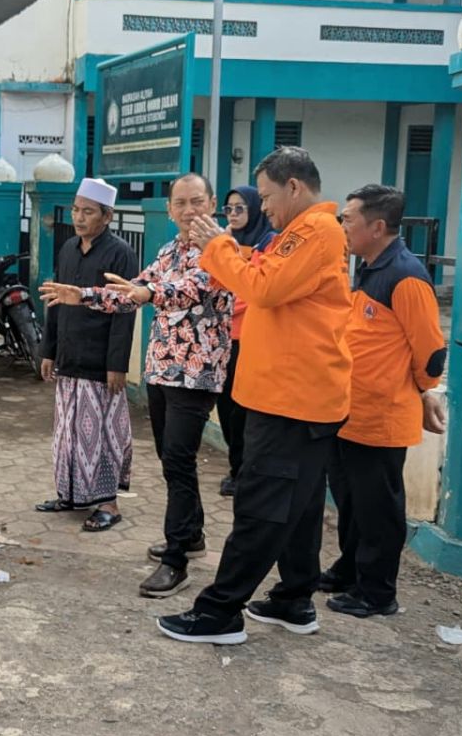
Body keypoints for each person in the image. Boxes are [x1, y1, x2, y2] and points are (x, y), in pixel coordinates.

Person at [158, 146, 351, 645]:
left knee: (260, 507)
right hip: (294, 395)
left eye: (265, 196)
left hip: (291, 398)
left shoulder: (317, 231)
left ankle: (220, 612)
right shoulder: (296, 235)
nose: (261, 207)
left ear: (293, 187)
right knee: (302, 507)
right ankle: (293, 600)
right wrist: (224, 249)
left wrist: (221, 245)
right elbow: (255, 273)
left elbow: (264, 288)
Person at [41, 173, 233, 595]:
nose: (188, 211)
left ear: (212, 203)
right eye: (179, 203)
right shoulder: (168, 250)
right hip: (162, 371)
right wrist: (84, 296)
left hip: (195, 376)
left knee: (179, 461)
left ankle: (176, 559)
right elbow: (132, 290)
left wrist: (147, 294)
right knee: (171, 459)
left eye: (196, 202)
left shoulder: (223, 252)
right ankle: (192, 534)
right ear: (168, 209)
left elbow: (185, 291)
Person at [321, 184, 447, 618]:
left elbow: (430, 352)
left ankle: (377, 592)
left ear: (377, 227)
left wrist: (421, 390)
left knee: (378, 509)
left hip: (383, 415)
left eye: (349, 219)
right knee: (351, 502)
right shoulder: (370, 268)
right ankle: (349, 570)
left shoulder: (406, 276)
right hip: (349, 410)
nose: (343, 227)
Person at [35, 178, 140, 531]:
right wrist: (49, 351)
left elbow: (125, 310)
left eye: (88, 212)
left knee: (103, 435)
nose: (80, 218)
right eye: (77, 210)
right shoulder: (67, 249)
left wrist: (116, 365)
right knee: (68, 433)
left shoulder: (120, 253)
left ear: (107, 216)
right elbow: (55, 301)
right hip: (69, 357)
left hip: (100, 363)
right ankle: (70, 494)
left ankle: (108, 504)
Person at [215, 186, 276, 497]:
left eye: (241, 208)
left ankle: (247, 473)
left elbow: (256, 292)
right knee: (226, 409)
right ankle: (236, 467)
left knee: (245, 413)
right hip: (223, 339)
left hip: (249, 340)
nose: (234, 214)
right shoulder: (224, 244)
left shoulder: (269, 245)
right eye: (229, 209)